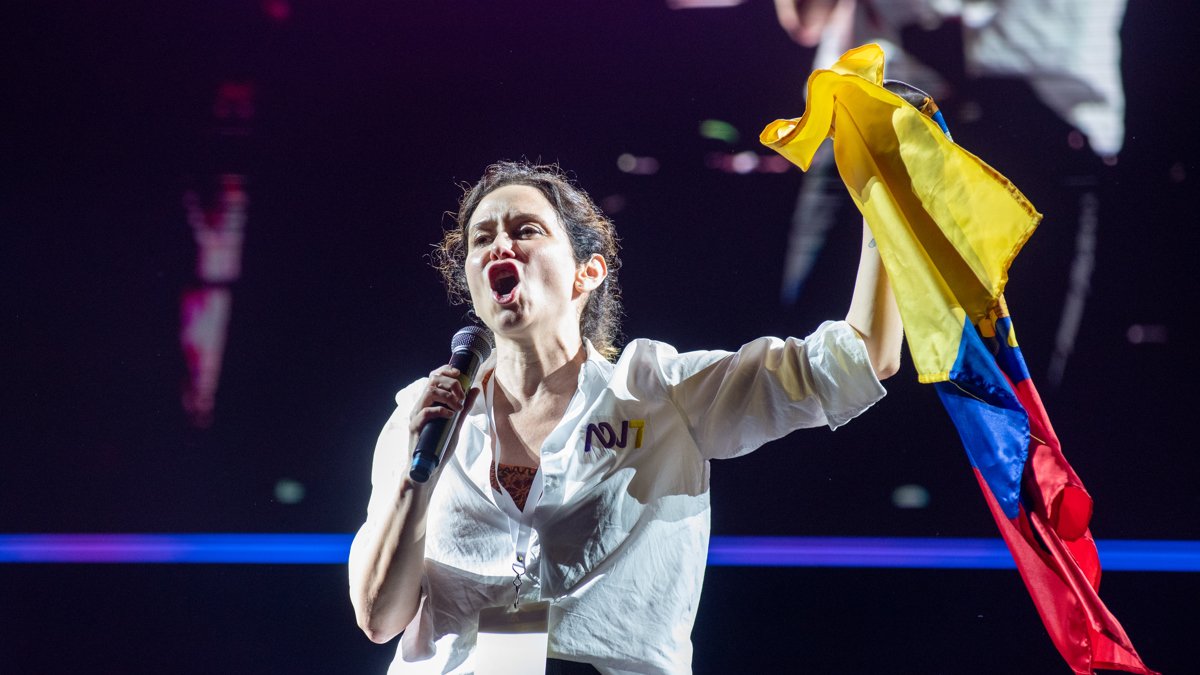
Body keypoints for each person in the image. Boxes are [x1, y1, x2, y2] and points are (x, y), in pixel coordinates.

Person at [348, 160, 903, 674]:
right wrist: (416, 477)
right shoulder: (421, 415)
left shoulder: (658, 391)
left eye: (525, 230)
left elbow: (862, 356)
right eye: (482, 237)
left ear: (586, 273)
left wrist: (884, 184)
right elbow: (378, 619)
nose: (500, 246)